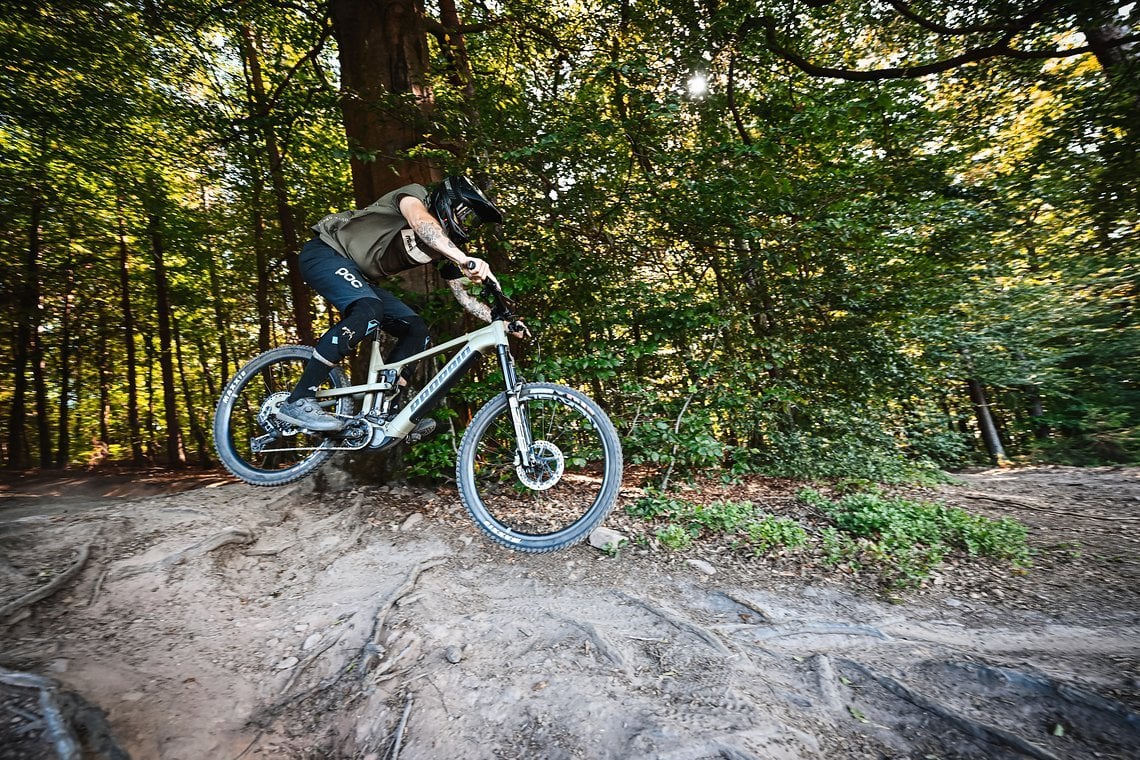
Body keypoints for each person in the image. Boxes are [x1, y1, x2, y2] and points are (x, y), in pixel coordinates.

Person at [275, 175, 505, 435]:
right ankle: (298, 400)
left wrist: (500, 318)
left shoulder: (440, 249)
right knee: (369, 310)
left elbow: (464, 296)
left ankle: (384, 412)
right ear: (450, 201)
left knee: (416, 330)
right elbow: (421, 223)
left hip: (359, 277)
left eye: (472, 222)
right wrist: (462, 257)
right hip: (326, 253)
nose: (466, 225)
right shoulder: (415, 195)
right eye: (466, 215)